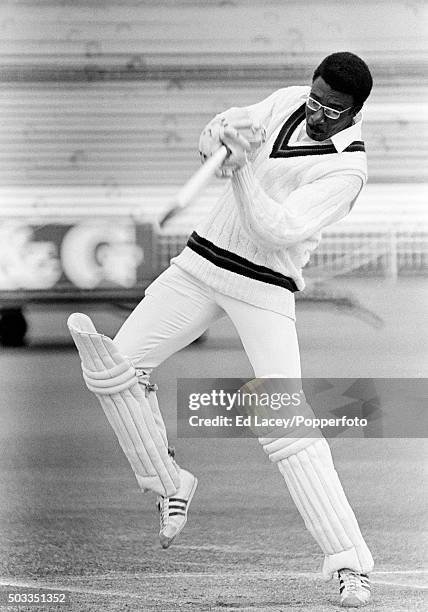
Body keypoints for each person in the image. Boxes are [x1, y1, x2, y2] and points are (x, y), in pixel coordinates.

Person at [68, 52, 374, 608]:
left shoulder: (347, 169)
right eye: (315, 99)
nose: (318, 113)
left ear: (354, 113)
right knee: (111, 369)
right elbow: (230, 128)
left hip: (264, 284)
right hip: (200, 265)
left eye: (333, 110)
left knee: (285, 422)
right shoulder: (288, 100)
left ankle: (349, 564)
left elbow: (276, 229)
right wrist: (219, 135)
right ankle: (169, 483)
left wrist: (239, 173)